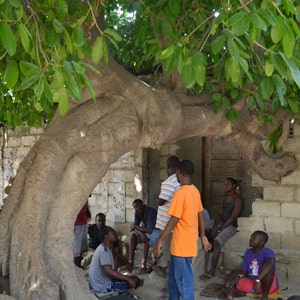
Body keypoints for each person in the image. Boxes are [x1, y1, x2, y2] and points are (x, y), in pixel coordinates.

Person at [153, 160, 212, 300]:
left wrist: (159, 241)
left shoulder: (180, 193)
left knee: (184, 280)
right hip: (184, 243)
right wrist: (202, 235)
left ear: (179, 173)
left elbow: (174, 219)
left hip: (182, 245)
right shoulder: (195, 190)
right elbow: (200, 214)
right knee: (173, 278)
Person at [200, 177, 244, 280]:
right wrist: (215, 226)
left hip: (231, 225)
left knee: (217, 242)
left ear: (234, 186)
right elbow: (220, 213)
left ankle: (212, 271)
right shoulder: (223, 198)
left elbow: (233, 217)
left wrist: (219, 230)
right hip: (221, 223)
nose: (225, 186)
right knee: (202, 225)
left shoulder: (238, 199)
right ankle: (208, 243)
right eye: (224, 184)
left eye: (228, 184)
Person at [225, 230, 279, 300]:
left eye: (254, 238)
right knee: (231, 275)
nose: (251, 239)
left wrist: (258, 280)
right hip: (252, 283)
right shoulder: (248, 252)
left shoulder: (268, 252)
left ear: (262, 242)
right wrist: (238, 277)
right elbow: (245, 271)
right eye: (251, 237)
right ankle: (229, 297)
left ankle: (264, 297)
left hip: (266, 285)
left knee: (269, 272)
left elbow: (270, 263)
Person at [89, 226, 142, 297]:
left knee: (132, 279)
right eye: (112, 234)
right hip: (101, 285)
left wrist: (127, 262)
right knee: (134, 281)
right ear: (106, 237)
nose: (115, 235)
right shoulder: (104, 251)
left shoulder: (107, 247)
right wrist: (128, 279)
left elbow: (116, 254)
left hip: (100, 281)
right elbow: (109, 272)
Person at [154, 155, 180, 275]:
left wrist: (156, 198)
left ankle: (170, 272)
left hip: (167, 224)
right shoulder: (181, 181)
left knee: (169, 250)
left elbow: (161, 201)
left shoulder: (169, 182)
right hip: (177, 224)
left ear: (168, 167)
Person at [128, 199, 159, 273]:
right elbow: (133, 228)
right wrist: (141, 233)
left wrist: (136, 227)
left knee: (146, 239)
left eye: (139, 206)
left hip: (157, 232)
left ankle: (143, 266)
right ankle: (130, 262)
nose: (137, 208)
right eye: (135, 207)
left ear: (143, 205)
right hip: (146, 232)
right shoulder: (137, 212)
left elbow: (150, 230)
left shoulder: (151, 211)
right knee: (132, 236)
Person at [73, 201, 89, 268]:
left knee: (80, 249)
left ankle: (78, 265)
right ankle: (76, 267)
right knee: (76, 249)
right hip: (77, 224)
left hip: (83, 223)